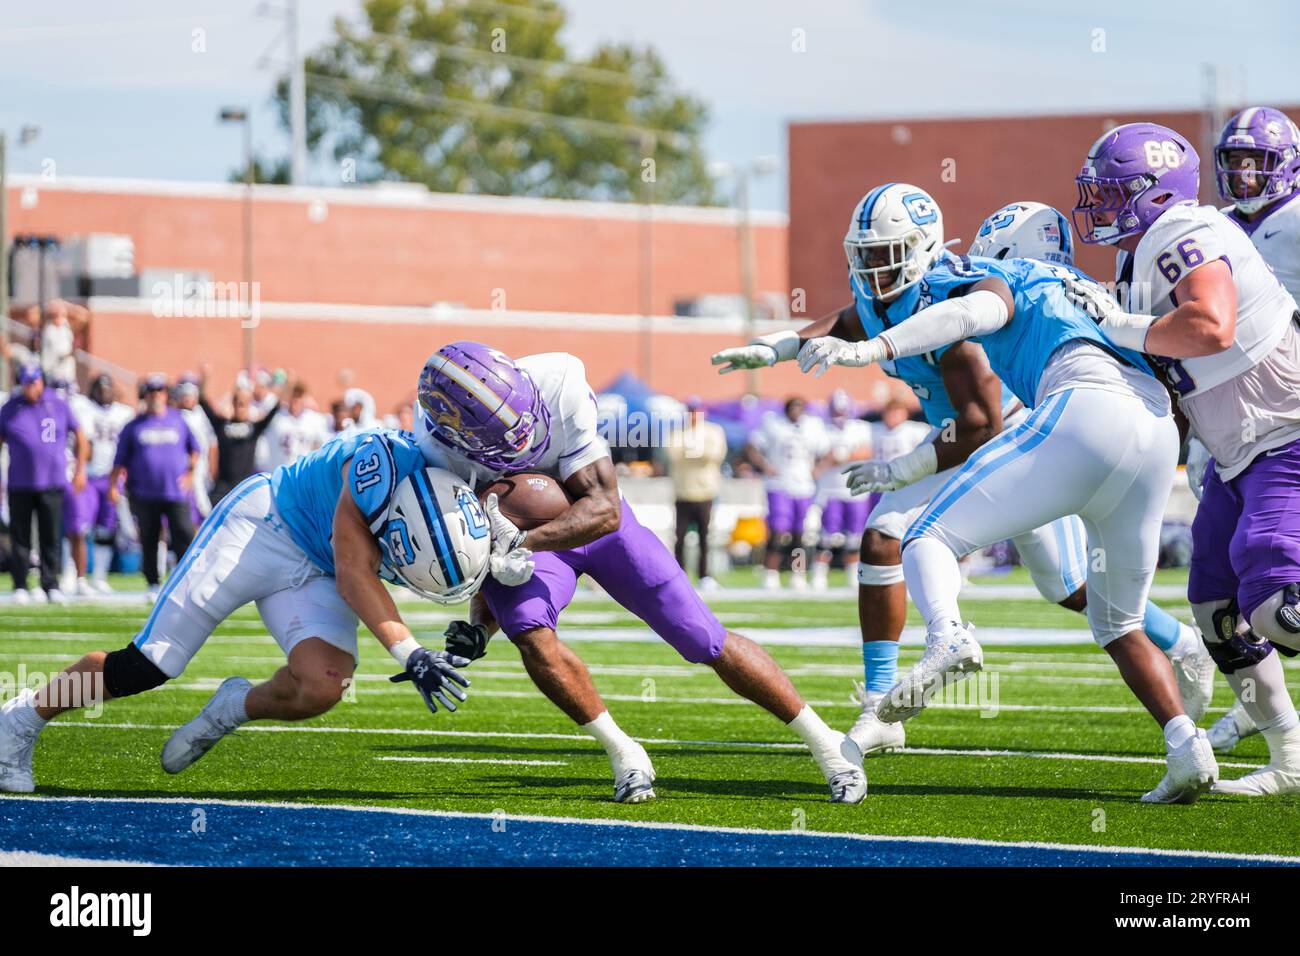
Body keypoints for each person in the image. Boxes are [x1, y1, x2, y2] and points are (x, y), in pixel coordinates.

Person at [713, 192, 1210, 760]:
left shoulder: (959, 309)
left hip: (1014, 436)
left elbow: (978, 426)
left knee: (1036, 577)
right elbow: (848, 320)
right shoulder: (887, 300)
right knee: (1054, 582)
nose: (875, 269)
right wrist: (776, 346)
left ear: (925, 248)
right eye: (867, 255)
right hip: (1018, 438)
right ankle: (882, 702)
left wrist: (901, 467)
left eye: (889, 253)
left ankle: (1175, 643)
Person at [416, 342, 866, 804]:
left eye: (520, 418)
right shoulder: (434, 452)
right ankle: (624, 753)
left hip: (596, 524)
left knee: (704, 638)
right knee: (531, 635)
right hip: (523, 541)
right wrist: (479, 625)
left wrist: (523, 541)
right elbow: (475, 547)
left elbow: (606, 511)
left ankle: (828, 745)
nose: (519, 436)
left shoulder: (559, 380)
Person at [0, 425, 485, 794]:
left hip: (316, 569)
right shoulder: (383, 460)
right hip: (264, 527)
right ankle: (19, 720)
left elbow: (507, 560)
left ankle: (230, 708)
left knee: (323, 685)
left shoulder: (474, 489)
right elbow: (353, 570)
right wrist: (411, 653)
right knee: (151, 663)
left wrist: (483, 626)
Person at [1071, 122, 1300, 796]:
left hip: (1285, 429)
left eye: (1112, 192)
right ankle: (1290, 761)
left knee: (1274, 610)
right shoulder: (1140, 253)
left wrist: (1119, 326)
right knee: (1213, 609)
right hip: (1235, 449)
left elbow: (1208, 325)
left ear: (1151, 192)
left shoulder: (1181, 232)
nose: (1100, 204)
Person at [1205, 107, 1300, 753]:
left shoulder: (1293, 222)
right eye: (1233, 161)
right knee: (1216, 603)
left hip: (1285, 420)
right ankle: (1283, 748)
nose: (1242, 173)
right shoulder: (1212, 229)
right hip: (1229, 432)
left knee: (1270, 587)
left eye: (1254, 161)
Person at [0, 364, 87, 605]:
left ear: (42, 381)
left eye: (35, 381)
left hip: (52, 480)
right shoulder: (10, 407)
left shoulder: (57, 403)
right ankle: (20, 584)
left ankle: (51, 584)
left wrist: (80, 470)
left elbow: (80, 436)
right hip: (20, 482)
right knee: (20, 536)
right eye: (27, 382)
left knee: (50, 536)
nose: (31, 387)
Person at [112, 374, 199, 602]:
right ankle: (152, 582)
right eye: (151, 392)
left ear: (165, 394)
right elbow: (119, 459)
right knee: (149, 539)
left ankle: (184, 581)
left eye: (159, 391)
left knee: (184, 534)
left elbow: (195, 449)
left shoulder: (178, 420)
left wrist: (190, 474)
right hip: (144, 492)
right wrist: (113, 485)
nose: (155, 396)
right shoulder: (134, 426)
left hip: (174, 490)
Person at [743, 397, 828, 591]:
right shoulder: (773, 423)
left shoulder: (813, 426)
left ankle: (797, 573)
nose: (796, 411)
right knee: (778, 531)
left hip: (804, 486)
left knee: (800, 533)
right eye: (793, 407)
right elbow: (751, 448)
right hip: (778, 483)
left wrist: (818, 470)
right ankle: (770, 573)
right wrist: (765, 466)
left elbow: (827, 451)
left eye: (800, 407)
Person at [65, 373, 134, 595]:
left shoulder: (124, 413)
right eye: (99, 388)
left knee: (106, 529)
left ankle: (100, 577)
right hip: (88, 475)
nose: (104, 392)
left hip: (112, 477)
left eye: (107, 388)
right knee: (78, 526)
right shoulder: (81, 406)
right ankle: (72, 574)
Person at [811, 389, 873, 590]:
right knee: (827, 537)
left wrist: (843, 456)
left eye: (842, 410)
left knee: (855, 536)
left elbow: (866, 452)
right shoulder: (821, 430)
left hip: (856, 490)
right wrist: (833, 457)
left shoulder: (861, 428)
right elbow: (819, 459)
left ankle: (852, 575)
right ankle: (819, 576)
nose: (839, 415)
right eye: (836, 411)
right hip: (830, 491)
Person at [664, 396, 728, 590]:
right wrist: (697, 453)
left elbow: (714, 455)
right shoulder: (677, 432)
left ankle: (705, 575)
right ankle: (679, 573)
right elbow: (673, 455)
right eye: (691, 411)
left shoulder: (714, 431)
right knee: (680, 537)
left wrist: (691, 452)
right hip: (683, 492)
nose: (694, 415)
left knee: (705, 537)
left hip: (705, 492)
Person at [198, 366, 279, 504]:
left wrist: (285, 385)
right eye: (237, 402)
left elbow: (275, 408)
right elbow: (204, 402)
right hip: (223, 486)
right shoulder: (222, 425)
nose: (239, 405)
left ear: (248, 405)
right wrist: (205, 378)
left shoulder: (254, 427)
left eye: (243, 403)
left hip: (245, 486)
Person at [259, 382, 331, 472]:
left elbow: (325, 442)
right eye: (294, 396)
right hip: (278, 471)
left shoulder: (314, 419)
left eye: (299, 397)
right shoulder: (277, 417)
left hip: (302, 473)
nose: (296, 401)